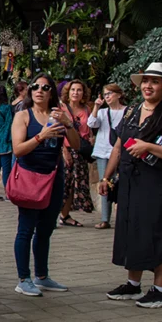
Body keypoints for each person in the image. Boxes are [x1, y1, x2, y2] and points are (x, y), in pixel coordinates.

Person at [99, 63, 162, 308]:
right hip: (130, 181)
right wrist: (106, 177)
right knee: (132, 231)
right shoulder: (131, 111)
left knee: (160, 234)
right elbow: (118, 146)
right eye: (145, 81)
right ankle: (133, 285)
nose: (148, 86)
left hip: (157, 183)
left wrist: (149, 147)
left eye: (155, 82)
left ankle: (160, 291)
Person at [10, 73, 81, 297]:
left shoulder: (58, 115)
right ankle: (23, 279)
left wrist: (68, 124)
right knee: (26, 229)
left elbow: (77, 144)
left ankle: (42, 276)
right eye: (35, 87)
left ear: (52, 92)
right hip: (30, 178)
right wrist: (42, 136)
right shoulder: (23, 116)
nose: (39, 90)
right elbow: (18, 150)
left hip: (53, 178)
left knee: (46, 229)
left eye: (45, 87)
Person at [88, 83, 126, 229]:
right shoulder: (103, 112)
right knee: (105, 183)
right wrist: (96, 107)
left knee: (122, 183)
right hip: (103, 152)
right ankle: (105, 219)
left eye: (110, 93)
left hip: (121, 152)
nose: (107, 97)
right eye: (105, 94)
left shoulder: (127, 111)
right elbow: (91, 123)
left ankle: (123, 216)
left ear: (119, 94)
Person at [58, 80, 94, 227]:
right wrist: (63, 150)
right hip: (66, 149)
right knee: (63, 184)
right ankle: (53, 215)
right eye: (73, 90)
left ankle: (65, 216)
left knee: (74, 185)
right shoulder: (62, 108)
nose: (75, 93)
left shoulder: (86, 109)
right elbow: (58, 130)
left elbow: (89, 128)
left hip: (80, 151)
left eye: (79, 90)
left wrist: (91, 138)